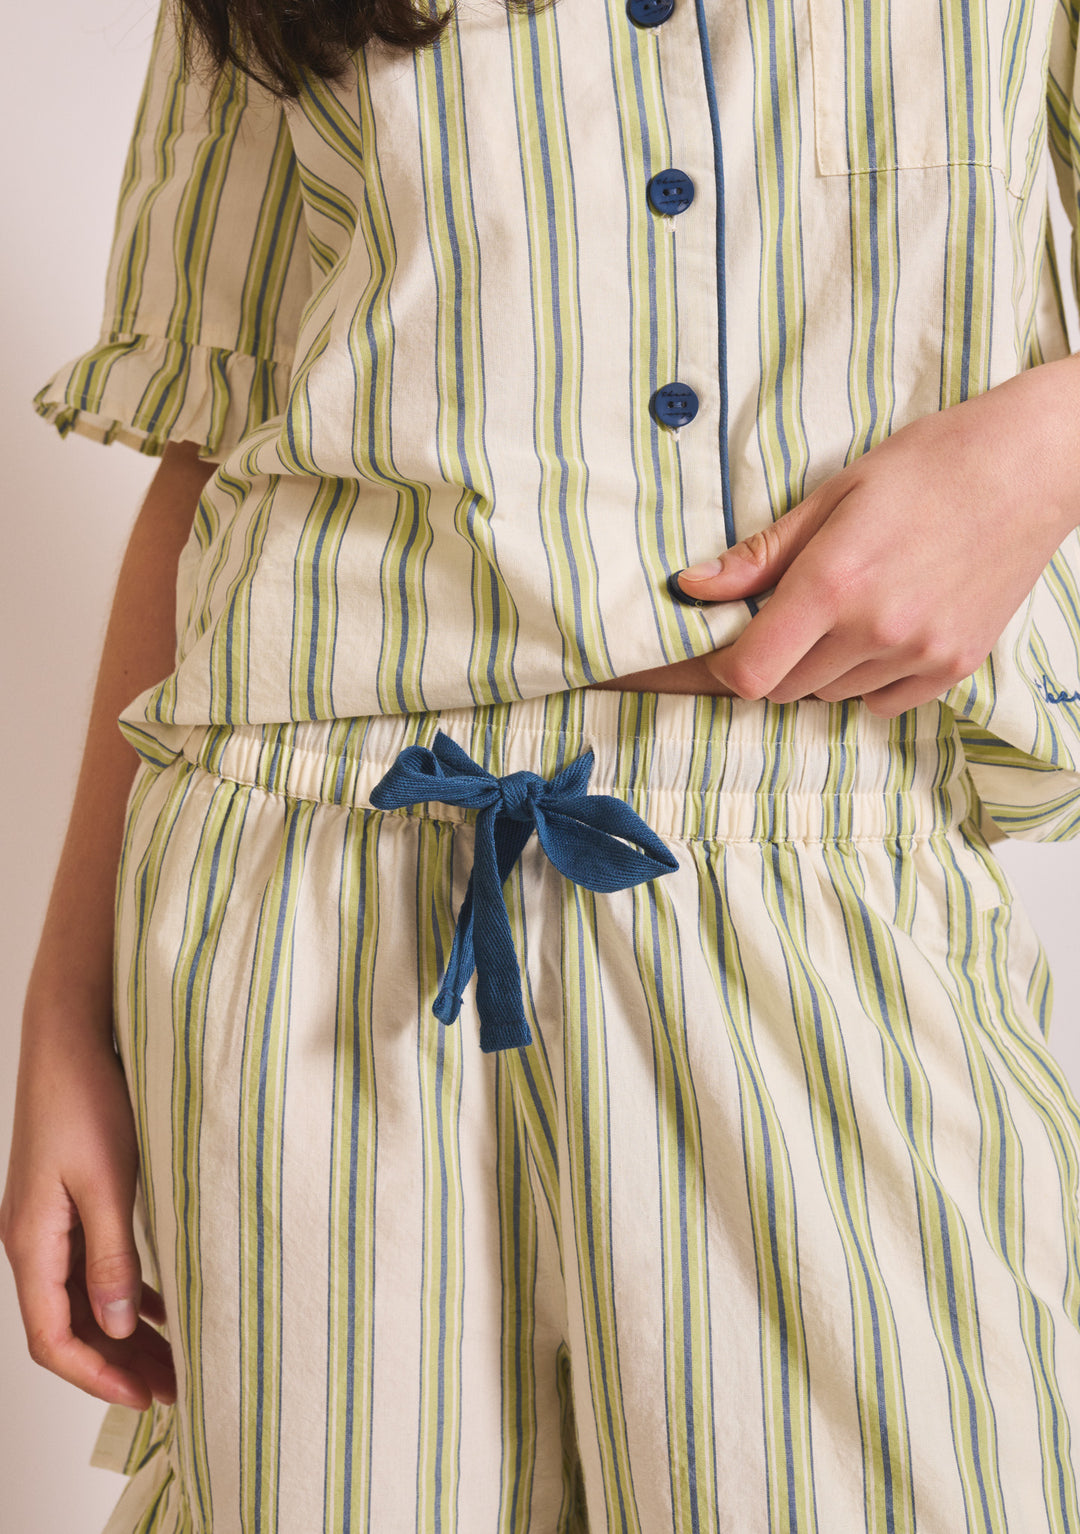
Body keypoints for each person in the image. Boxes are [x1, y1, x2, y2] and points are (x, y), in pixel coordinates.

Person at [5, 0, 1080, 1527]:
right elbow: (219, 428)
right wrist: (67, 1015)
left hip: (815, 843)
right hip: (301, 888)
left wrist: (1043, 447)